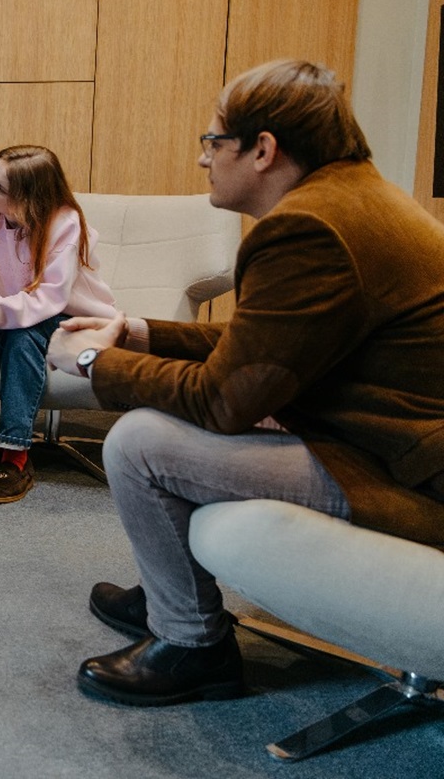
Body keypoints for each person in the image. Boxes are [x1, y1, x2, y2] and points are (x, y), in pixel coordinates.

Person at [47, 59, 444, 706]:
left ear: (263, 149)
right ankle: (170, 589)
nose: (202, 158)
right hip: (389, 448)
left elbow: (224, 400)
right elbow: (264, 348)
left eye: (213, 141)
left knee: (141, 442)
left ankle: (192, 644)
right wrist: (136, 333)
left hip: (407, 478)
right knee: (164, 423)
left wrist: (94, 361)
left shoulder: (310, 228)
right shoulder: (350, 199)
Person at [0, 145, 116, 503]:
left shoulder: (64, 224)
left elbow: (47, 300)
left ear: (29, 199)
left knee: (23, 336)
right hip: (10, 306)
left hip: (69, 313)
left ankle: (16, 454)